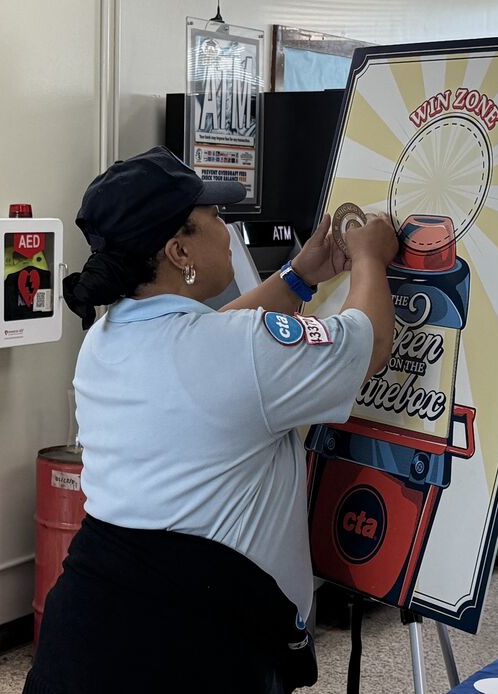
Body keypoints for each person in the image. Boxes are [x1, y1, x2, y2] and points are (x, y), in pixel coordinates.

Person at [23, 146, 397, 693]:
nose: (228, 232)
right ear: (179, 250)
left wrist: (299, 277)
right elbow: (371, 345)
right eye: (215, 219)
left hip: (93, 631)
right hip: (196, 647)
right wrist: (370, 257)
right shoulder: (231, 352)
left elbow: (213, 347)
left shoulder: (107, 339)